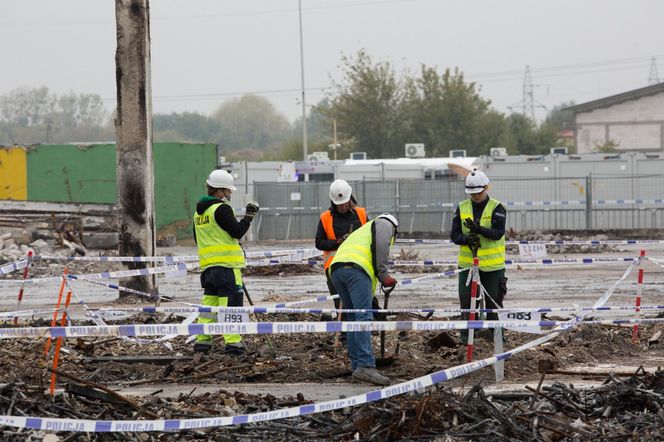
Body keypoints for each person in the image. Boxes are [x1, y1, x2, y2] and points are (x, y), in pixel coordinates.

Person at [192, 169, 260, 357]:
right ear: (219, 191)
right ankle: (233, 343)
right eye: (228, 191)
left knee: (210, 304)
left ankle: (202, 342)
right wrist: (249, 216)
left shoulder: (198, 214)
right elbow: (237, 231)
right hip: (227, 268)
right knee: (230, 303)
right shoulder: (221, 208)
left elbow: (199, 240)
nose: (229, 194)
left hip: (208, 268)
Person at [329, 213, 399, 386]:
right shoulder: (385, 223)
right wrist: (383, 275)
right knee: (363, 317)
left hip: (337, 270)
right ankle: (366, 365)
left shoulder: (363, 231)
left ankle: (356, 367)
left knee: (353, 318)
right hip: (356, 269)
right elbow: (382, 245)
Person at [450, 168, 507, 344]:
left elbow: (498, 233)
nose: (475, 197)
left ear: (486, 188)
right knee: (467, 302)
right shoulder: (462, 207)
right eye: (472, 194)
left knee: (493, 304)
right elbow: (454, 235)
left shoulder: (497, 208)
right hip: (468, 265)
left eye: (478, 193)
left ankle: (497, 338)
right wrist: (467, 239)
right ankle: (466, 338)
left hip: (492, 267)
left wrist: (478, 229)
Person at [315, 179, 368, 322]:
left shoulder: (361, 214)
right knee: (341, 305)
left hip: (360, 265)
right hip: (335, 268)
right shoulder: (325, 218)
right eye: (339, 204)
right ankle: (345, 335)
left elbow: (370, 236)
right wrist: (337, 242)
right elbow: (319, 242)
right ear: (333, 202)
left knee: (362, 302)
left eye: (345, 202)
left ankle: (362, 332)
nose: (343, 206)